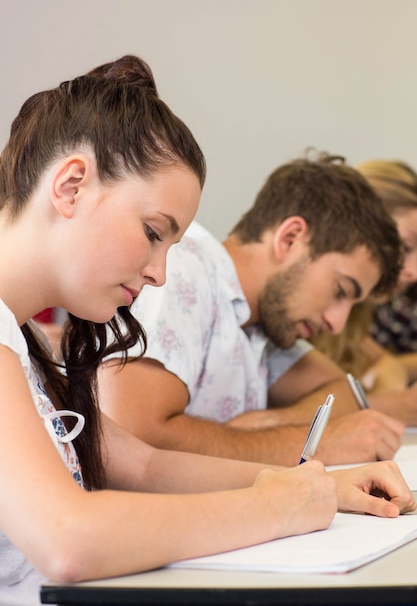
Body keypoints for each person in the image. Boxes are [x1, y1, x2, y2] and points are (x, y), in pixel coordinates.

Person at [3, 55, 415, 606]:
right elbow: (69, 540)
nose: (160, 272)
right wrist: (275, 508)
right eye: (153, 232)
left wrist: (319, 486)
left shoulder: (27, 347)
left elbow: (144, 464)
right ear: (71, 185)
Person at [98, 152, 406, 467]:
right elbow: (131, 437)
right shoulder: (185, 268)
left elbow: (345, 395)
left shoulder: (260, 323)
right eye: (340, 291)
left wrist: (265, 424)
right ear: (290, 239)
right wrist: (313, 444)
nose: (336, 323)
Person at [311, 159, 417, 424]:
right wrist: (397, 405)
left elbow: (388, 368)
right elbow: (287, 411)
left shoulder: (357, 313)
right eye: (404, 248)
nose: (414, 272)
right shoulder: (308, 307)